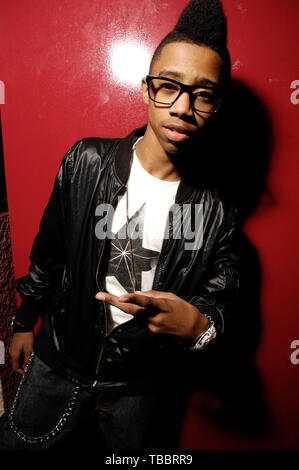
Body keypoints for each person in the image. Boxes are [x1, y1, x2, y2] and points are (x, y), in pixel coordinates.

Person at [0, 0, 240, 452]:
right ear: (147, 89)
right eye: (169, 86)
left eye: (203, 94)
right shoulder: (86, 160)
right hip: (59, 361)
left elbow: (220, 304)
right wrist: (24, 320)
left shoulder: (217, 210)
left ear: (216, 106)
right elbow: (48, 253)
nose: (184, 107)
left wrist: (197, 325)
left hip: (140, 386)